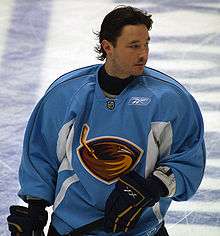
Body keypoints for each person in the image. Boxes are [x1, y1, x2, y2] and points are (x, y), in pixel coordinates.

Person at [7, 5, 206, 236]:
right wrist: (35, 209)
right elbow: (40, 155)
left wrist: (152, 186)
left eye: (146, 44)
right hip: (72, 228)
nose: (143, 54)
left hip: (141, 230)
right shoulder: (66, 94)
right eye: (133, 46)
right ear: (107, 47)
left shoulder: (171, 100)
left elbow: (188, 159)